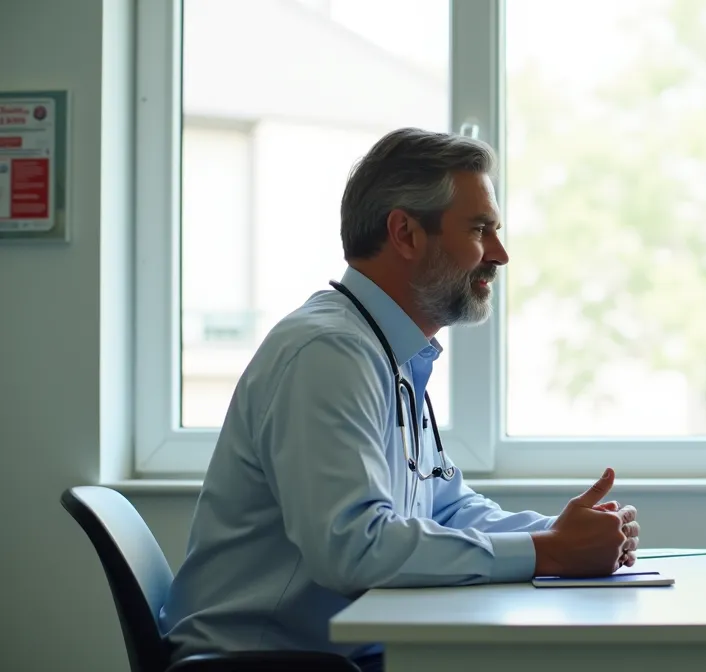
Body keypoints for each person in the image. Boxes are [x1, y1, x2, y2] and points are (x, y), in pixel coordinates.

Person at [160, 128, 640, 671]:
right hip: (263, 663)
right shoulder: (330, 353)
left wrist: (560, 531)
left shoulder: (388, 350)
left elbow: (447, 508)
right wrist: (549, 552)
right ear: (406, 234)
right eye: (481, 230)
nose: (500, 255)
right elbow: (353, 548)